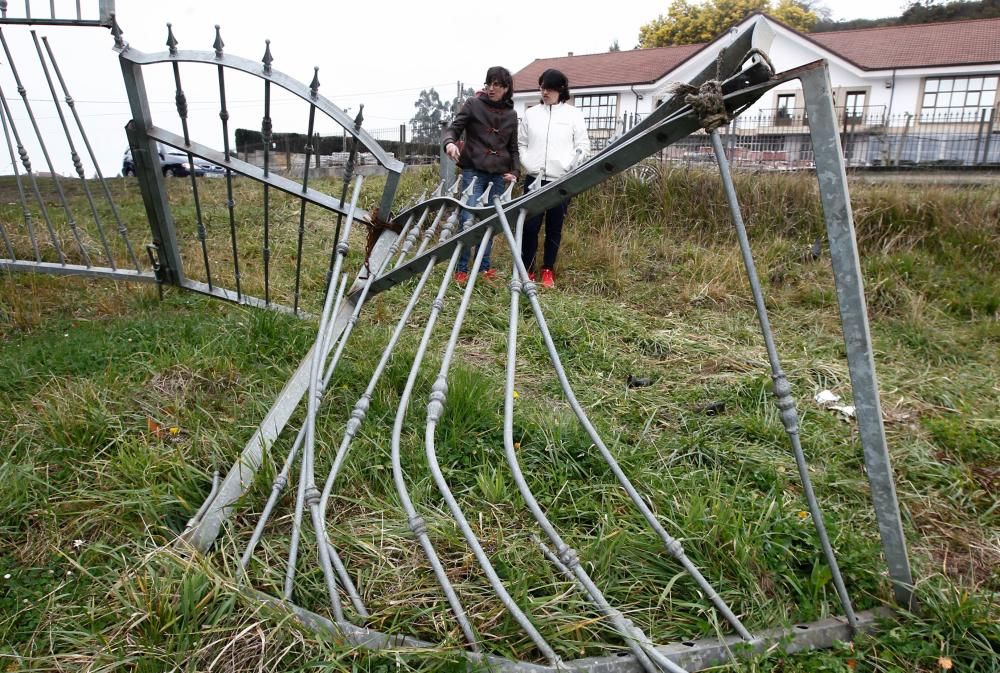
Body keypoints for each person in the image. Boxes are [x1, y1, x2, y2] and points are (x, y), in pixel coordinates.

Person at [442, 66, 520, 282]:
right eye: (489, 83)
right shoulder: (473, 104)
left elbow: (513, 149)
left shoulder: (512, 115)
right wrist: (449, 143)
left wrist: (514, 172)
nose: (491, 88)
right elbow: (453, 128)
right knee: (467, 218)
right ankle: (462, 268)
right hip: (474, 172)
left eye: (497, 84)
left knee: (491, 222)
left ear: (506, 88)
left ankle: (484, 267)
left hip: (498, 176)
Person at [517, 68, 590, 289]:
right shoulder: (531, 114)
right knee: (530, 227)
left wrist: (572, 165)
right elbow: (521, 143)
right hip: (534, 179)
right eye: (542, 87)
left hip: (561, 181)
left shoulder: (573, 115)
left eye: (549, 88)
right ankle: (527, 270)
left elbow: (583, 146)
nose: (544, 92)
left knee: (554, 227)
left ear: (560, 89)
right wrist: (527, 162)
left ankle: (548, 270)